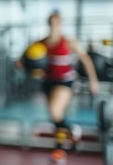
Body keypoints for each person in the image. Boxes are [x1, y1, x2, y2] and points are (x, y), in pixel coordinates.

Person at [40, 12, 99, 144]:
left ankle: (72, 130)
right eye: (51, 22)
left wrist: (93, 81)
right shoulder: (41, 43)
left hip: (65, 82)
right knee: (56, 117)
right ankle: (61, 148)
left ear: (60, 24)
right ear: (48, 24)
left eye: (56, 23)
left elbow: (86, 60)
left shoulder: (68, 42)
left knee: (55, 111)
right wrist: (21, 63)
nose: (53, 25)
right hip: (47, 82)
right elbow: (24, 59)